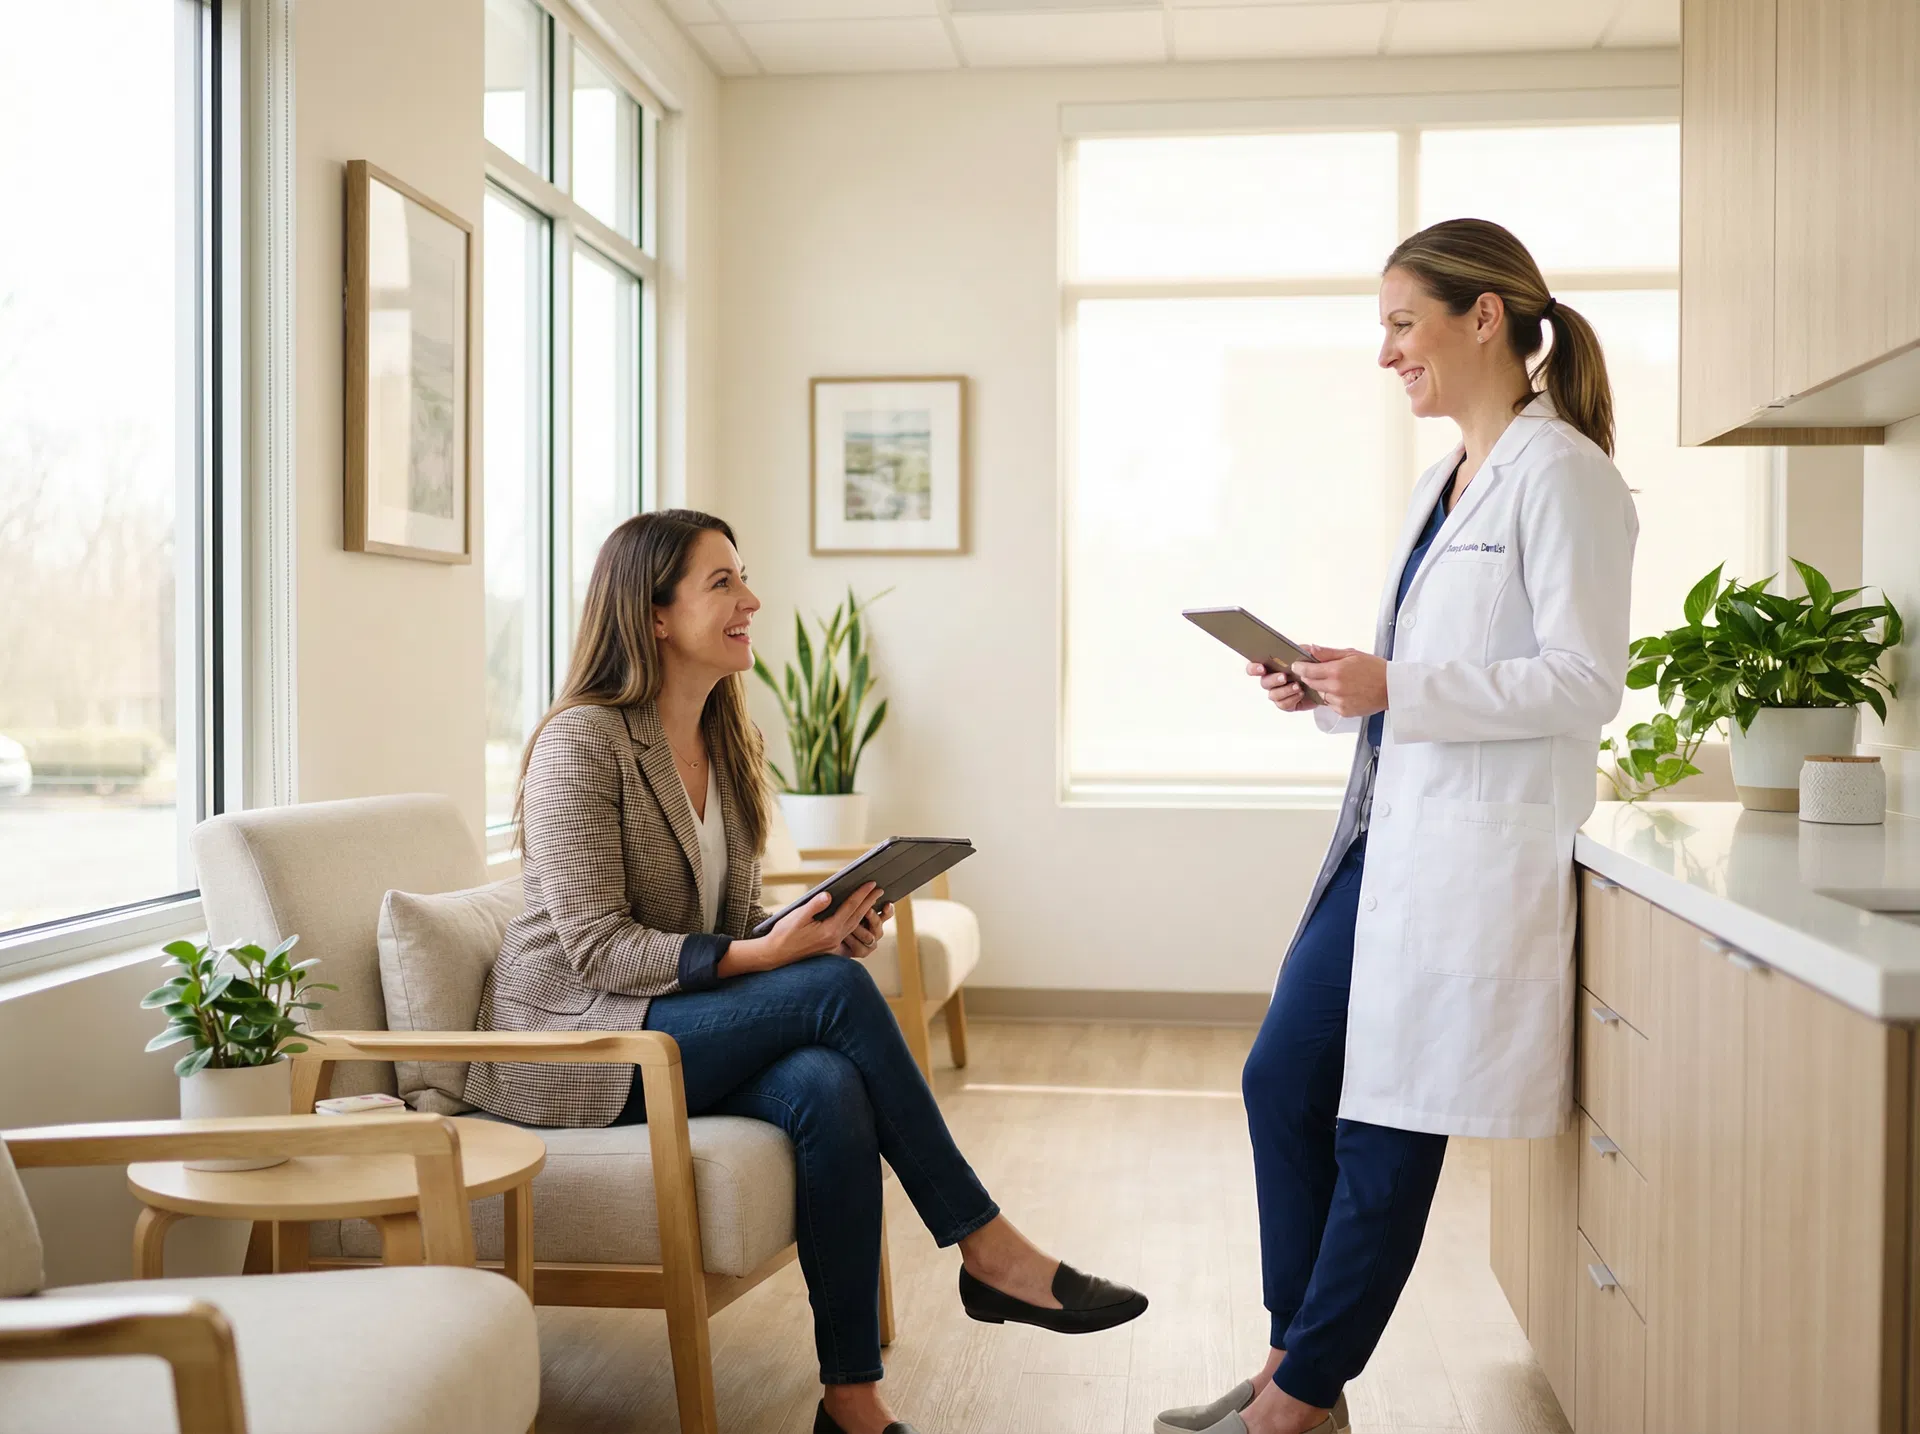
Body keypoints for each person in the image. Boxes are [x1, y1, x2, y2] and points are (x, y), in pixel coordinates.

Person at [466, 509, 1147, 1434]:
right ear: (655, 615)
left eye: (743, 577)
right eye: (722, 584)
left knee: (828, 1082)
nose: (751, 600)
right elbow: (597, 947)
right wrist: (774, 957)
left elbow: (720, 924)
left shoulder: (730, 744)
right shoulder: (582, 742)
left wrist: (812, 931)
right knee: (829, 997)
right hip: (578, 1041)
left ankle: (852, 1402)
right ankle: (987, 1246)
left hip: (669, 1023)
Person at [1157, 219, 1638, 1434]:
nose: (1386, 354)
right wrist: (1331, 682)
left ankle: (1297, 1401)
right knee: (1284, 1077)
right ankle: (1294, 1365)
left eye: (1400, 323)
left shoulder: (1565, 473)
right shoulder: (1445, 483)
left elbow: (1586, 680)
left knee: (1387, 1123)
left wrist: (1398, 687)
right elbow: (1424, 671)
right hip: (1388, 842)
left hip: (1475, 860)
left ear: (1485, 318)